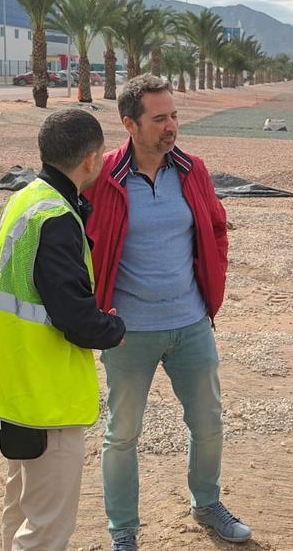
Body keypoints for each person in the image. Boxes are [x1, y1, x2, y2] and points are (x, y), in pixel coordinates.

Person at [83, 74, 246, 550]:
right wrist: (98, 310)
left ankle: (207, 503)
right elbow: (83, 243)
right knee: (122, 434)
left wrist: (211, 289)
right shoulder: (103, 177)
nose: (171, 126)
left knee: (209, 423)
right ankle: (124, 534)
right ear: (129, 123)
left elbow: (216, 228)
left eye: (174, 115)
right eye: (159, 118)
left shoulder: (193, 170)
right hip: (128, 331)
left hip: (191, 324)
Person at [0, 108, 126, 551]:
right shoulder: (56, 218)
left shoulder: (27, 198)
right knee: (46, 528)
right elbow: (75, 318)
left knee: (20, 507)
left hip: (13, 385)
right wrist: (114, 327)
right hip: (45, 398)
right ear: (92, 159)